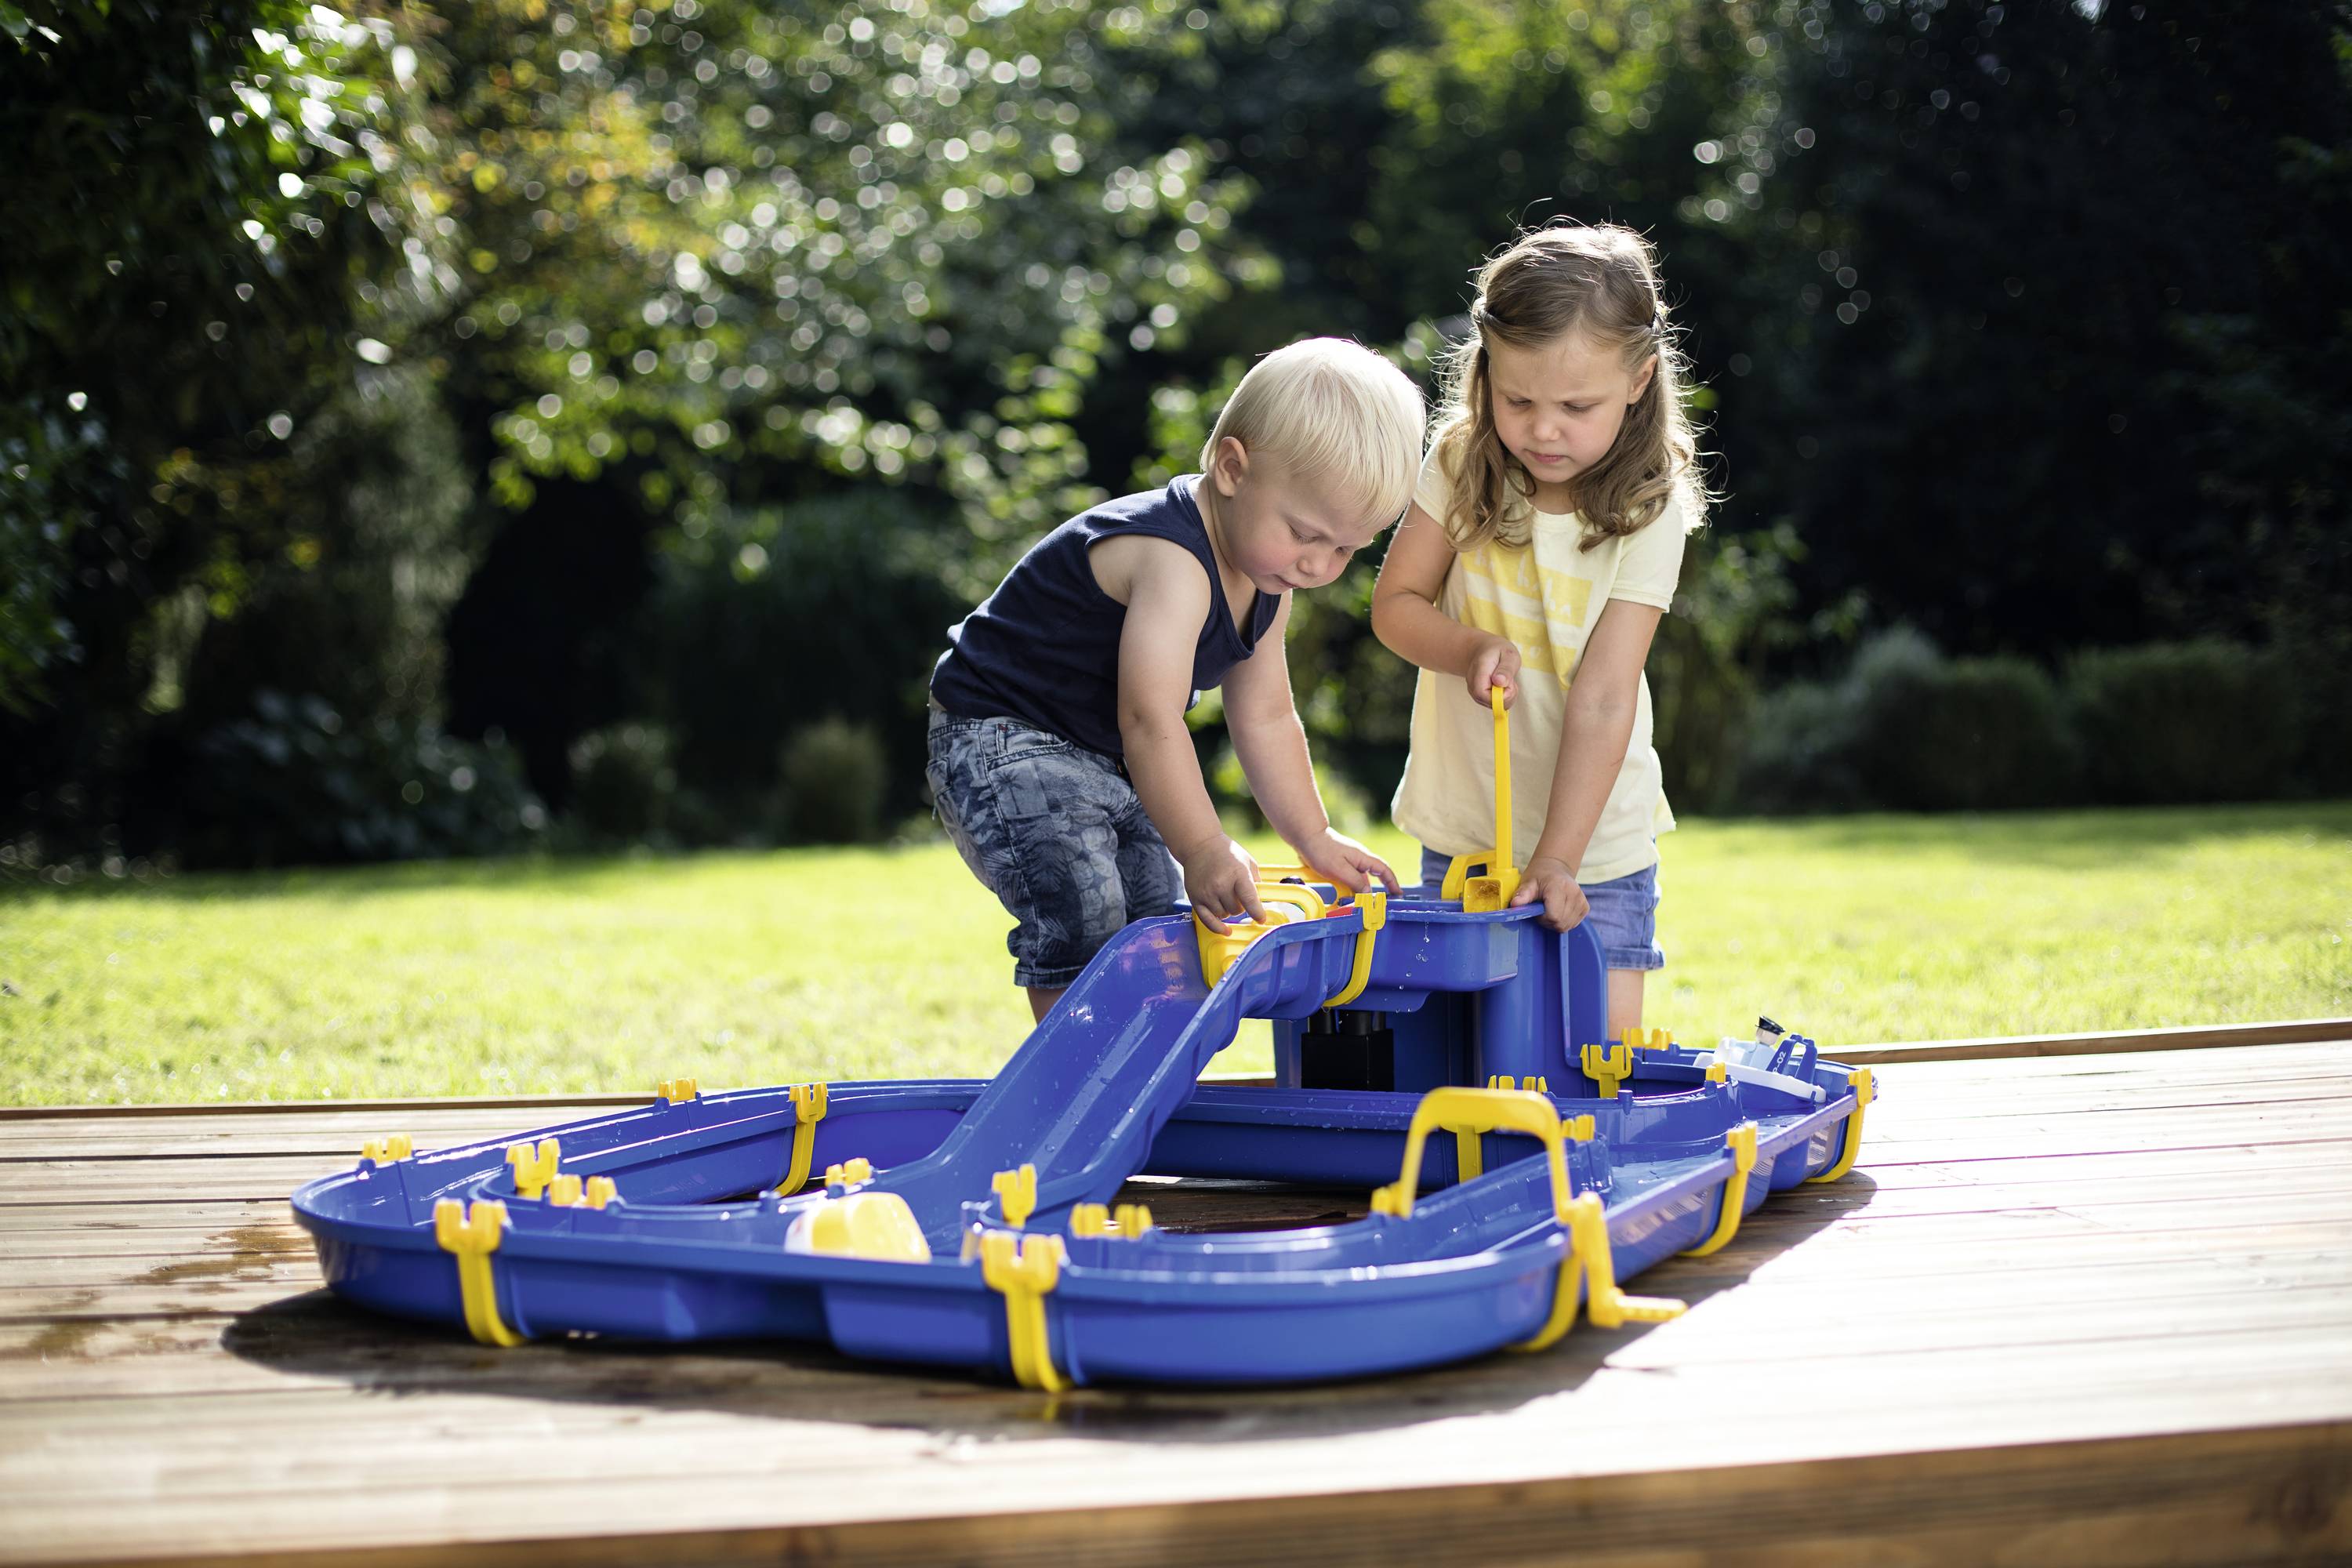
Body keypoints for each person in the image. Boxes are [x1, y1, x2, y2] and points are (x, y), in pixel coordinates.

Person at [927, 338, 1420, 1022]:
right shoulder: (1172, 557)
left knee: (1158, 916)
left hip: (1099, 755)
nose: (1318, 565)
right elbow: (1150, 720)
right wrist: (1205, 846)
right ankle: (1076, 1081)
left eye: (1345, 549)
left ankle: (1135, 1074)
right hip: (1005, 735)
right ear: (1231, 468)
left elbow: (1269, 716)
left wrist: (1314, 837)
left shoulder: (1269, 581)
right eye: (1305, 533)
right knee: (1085, 910)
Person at [1370, 223, 1711, 1041]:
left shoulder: (1650, 505)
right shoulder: (1460, 462)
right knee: (1459, 1061)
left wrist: (1559, 857)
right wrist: (1465, 647)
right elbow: (1397, 603)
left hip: (1598, 847)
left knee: (1597, 1056)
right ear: (1484, 370)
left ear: (1638, 381)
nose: (1543, 429)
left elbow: (1602, 696)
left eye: (1575, 406)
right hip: (1467, 838)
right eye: (1518, 399)